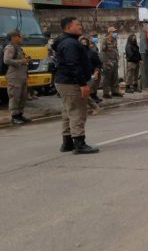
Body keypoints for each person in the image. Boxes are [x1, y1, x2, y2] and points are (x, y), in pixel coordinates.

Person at [52, 17, 98, 154]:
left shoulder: (67, 41)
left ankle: (67, 143)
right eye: (77, 24)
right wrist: (82, 83)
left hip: (65, 81)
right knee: (78, 111)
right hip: (70, 82)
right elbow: (73, 64)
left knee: (68, 111)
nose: (80, 26)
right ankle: (79, 143)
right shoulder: (70, 44)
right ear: (68, 27)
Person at [4, 30, 32, 125]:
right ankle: (14, 117)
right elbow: (6, 60)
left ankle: (20, 115)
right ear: (14, 37)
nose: (21, 38)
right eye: (19, 36)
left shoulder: (19, 48)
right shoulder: (10, 47)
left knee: (22, 97)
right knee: (15, 97)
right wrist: (21, 62)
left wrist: (26, 60)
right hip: (14, 77)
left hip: (22, 76)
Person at [80, 36, 102, 115]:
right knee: (82, 93)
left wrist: (96, 71)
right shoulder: (77, 53)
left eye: (85, 43)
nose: (83, 44)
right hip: (80, 75)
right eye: (81, 43)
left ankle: (94, 107)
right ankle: (92, 107)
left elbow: (98, 64)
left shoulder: (92, 52)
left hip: (91, 75)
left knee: (86, 93)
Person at [100, 26, 121, 99]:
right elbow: (102, 52)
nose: (115, 33)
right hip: (108, 62)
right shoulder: (105, 40)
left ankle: (114, 91)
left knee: (115, 77)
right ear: (110, 32)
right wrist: (106, 62)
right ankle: (106, 93)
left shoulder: (115, 40)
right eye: (114, 32)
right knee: (107, 78)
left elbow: (115, 49)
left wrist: (117, 57)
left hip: (115, 61)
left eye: (115, 32)